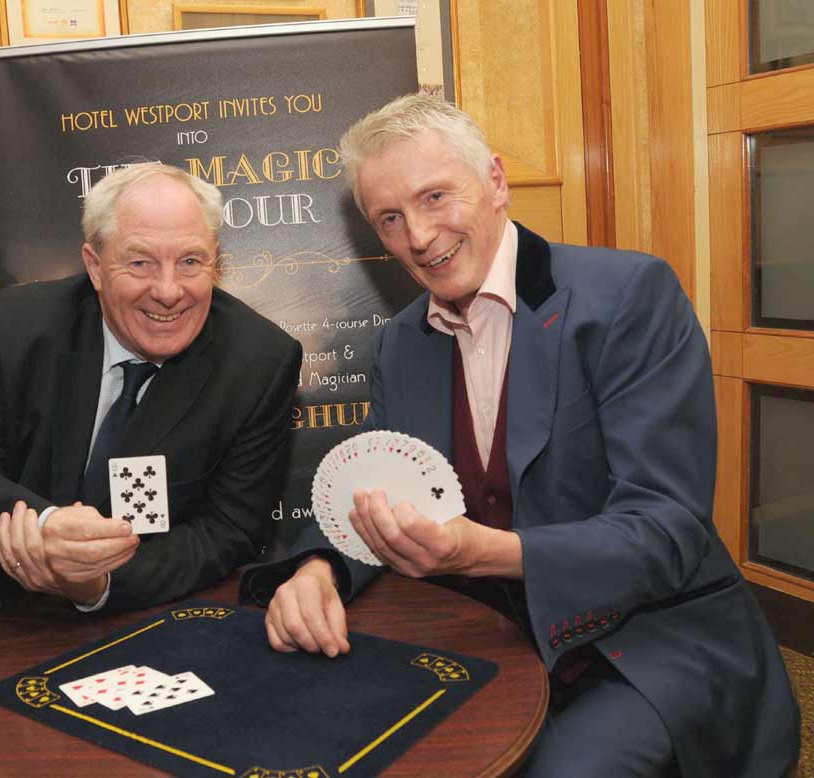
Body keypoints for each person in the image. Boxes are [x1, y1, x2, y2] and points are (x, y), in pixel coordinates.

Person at [241, 94, 800, 777]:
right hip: (491, 639)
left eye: (435, 196)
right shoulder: (400, 344)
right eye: (390, 218)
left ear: (497, 182)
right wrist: (318, 568)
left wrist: (485, 552)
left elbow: (667, 532)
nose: (419, 235)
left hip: (642, 644)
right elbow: (371, 488)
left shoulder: (628, 296)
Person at [0, 162, 302, 775]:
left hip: (138, 617)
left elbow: (230, 532)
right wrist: (42, 527)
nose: (168, 290)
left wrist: (96, 583)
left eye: (191, 262)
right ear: (94, 265)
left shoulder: (259, 360)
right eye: (140, 262)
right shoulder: (16, 326)